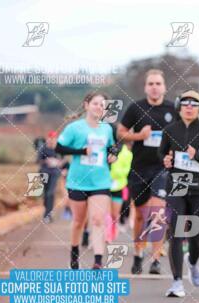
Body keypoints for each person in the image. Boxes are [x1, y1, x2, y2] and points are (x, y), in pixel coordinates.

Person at [158, 90, 199, 297]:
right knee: (175, 232)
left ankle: (192, 263)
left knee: (195, 235)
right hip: (177, 184)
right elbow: (162, 154)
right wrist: (165, 161)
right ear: (179, 106)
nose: (189, 107)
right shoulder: (169, 130)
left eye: (194, 104)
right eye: (185, 103)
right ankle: (176, 282)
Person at [118, 69, 179, 275]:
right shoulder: (136, 108)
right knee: (139, 216)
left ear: (164, 87)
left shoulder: (172, 109)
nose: (154, 87)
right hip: (139, 168)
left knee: (157, 212)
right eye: (151, 83)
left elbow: (182, 134)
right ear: (146, 87)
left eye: (158, 83)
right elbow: (121, 133)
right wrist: (138, 136)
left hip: (162, 168)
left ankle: (155, 259)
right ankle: (138, 253)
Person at [55, 91, 117, 270]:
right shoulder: (75, 128)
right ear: (86, 105)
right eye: (96, 103)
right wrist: (81, 151)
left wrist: (114, 154)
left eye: (102, 105)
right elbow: (59, 147)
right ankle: (74, 256)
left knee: (98, 219)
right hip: (77, 181)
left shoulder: (107, 128)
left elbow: (113, 146)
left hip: (101, 181)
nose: (99, 107)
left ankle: (98, 261)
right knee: (78, 222)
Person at [37, 130, 65, 224]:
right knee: (45, 194)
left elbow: (63, 160)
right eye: (51, 138)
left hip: (54, 173)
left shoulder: (59, 149)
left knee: (51, 192)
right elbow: (38, 161)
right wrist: (47, 161)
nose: (52, 140)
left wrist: (58, 162)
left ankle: (47, 215)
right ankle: (48, 211)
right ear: (48, 138)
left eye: (54, 138)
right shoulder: (43, 148)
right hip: (44, 173)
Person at [109, 141, 133, 242]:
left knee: (115, 214)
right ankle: (107, 235)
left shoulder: (128, 154)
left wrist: (115, 174)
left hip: (119, 185)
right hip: (104, 184)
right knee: (104, 213)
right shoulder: (108, 149)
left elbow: (126, 170)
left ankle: (113, 232)